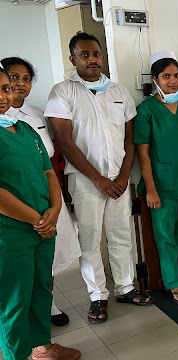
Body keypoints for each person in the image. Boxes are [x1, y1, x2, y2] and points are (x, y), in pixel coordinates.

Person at [45, 32, 152, 325]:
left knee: (121, 235)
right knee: (90, 240)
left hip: (118, 179)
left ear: (102, 56)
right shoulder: (62, 92)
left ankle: (125, 287)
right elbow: (64, 142)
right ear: (73, 59)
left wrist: (122, 176)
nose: (92, 59)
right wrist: (98, 179)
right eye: (84, 55)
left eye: (96, 54)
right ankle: (97, 296)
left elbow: (131, 139)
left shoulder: (118, 91)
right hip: (84, 180)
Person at [0, 66, 81, 360]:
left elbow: (48, 172)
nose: (3, 95)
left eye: (6, 88)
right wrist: (37, 219)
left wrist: (56, 209)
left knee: (40, 292)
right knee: (14, 302)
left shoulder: (24, 129)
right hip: (11, 235)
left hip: (43, 227)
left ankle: (43, 349)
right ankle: (16, 356)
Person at [134, 51, 178, 304]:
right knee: (166, 238)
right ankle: (173, 282)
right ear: (155, 79)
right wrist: (150, 189)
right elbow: (142, 154)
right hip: (162, 187)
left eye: (177, 75)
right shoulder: (146, 111)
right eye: (166, 76)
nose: (173, 81)